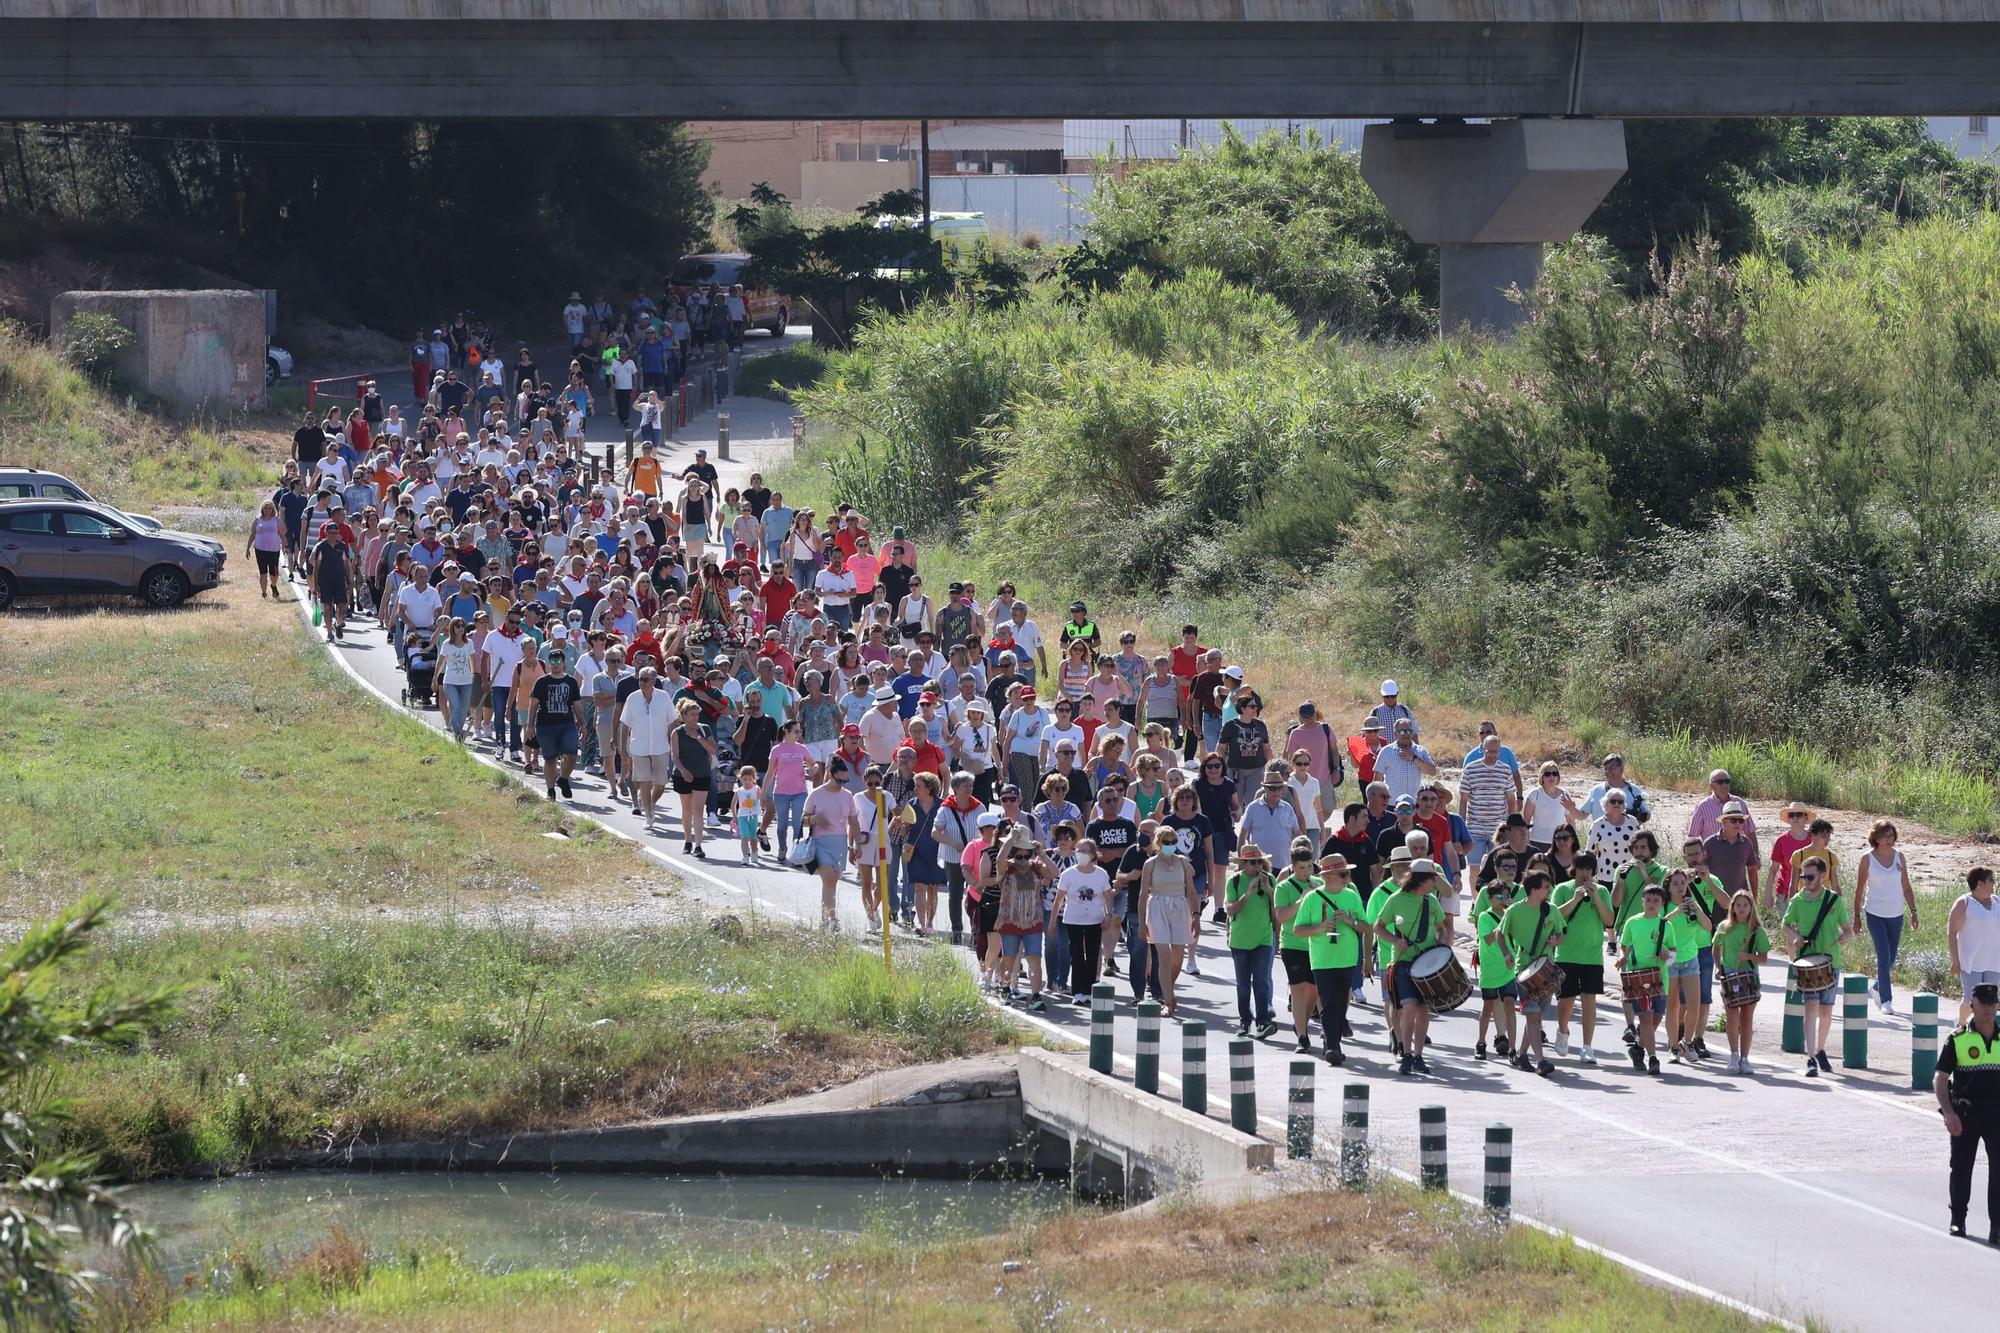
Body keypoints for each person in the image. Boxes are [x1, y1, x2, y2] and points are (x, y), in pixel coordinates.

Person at [1934, 981, 2000, 1245]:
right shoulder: (1958, 1038)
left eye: (1993, 1004)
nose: (1989, 1009)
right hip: (1966, 1113)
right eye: (1983, 1004)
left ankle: (1997, 1226)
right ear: (1972, 1005)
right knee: (1961, 1168)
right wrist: (1949, 1113)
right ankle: (1958, 1220)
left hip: (1997, 1114)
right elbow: (1940, 1078)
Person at [1290, 852, 1368, 1066]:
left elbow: (1366, 926)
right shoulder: (1312, 898)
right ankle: (1333, 1046)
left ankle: (1332, 1043)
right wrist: (1320, 928)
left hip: (1346, 958)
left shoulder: (1351, 896)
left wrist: (1350, 920)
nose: (1346, 877)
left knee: (1341, 1003)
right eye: (1342, 873)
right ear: (1329, 875)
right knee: (1328, 1002)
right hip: (1322, 959)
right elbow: (1298, 929)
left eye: (1346, 873)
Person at [1783, 855, 1854, 1078]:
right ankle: (1811, 1057)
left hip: (1830, 960)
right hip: (1807, 961)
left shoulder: (1834, 900)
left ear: (1822, 876)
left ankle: (1821, 1049)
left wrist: (1846, 937)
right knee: (1811, 1008)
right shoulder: (1797, 900)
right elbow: (1785, 924)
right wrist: (1794, 936)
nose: (1806, 880)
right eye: (1803, 876)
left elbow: (1848, 929)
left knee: (1826, 1011)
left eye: (1811, 876)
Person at [1375, 859, 1447, 1076]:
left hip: (1427, 962)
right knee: (1408, 1007)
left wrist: (1442, 946)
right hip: (1404, 962)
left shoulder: (1431, 901)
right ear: (1421, 880)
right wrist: (1395, 941)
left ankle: (1418, 1055)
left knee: (1424, 1010)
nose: (1435, 883)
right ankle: (1406, 1054)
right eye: (1432, 879)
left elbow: (1442, 928)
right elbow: (1378, 926)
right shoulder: (1395, 899)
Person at [1497, 870, 1563, 1076]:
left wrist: (1555, 941)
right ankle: (1541, 1061)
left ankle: (1523, 1053)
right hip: (1524, 969)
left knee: (1534, 1017)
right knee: (1533, 1014)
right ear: (1533, 889)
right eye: (1545, 887)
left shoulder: (1551, 910)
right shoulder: (1515, 910)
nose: (1549, 890)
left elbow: (1561, 934)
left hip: (1547, 968)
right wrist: (1507, 953)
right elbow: (1500, 933)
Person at [1551, 851, 1612, 1066]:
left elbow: (1609, 920)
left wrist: (1595, 896)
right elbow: (1555, 915)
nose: (1584, 873)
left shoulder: (1602, 891)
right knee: (1566, 1000)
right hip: (1566, 954)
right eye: (1580, 868)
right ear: (1574, 869)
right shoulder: (1562, 889)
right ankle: (1563, 1030)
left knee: (1589, 1000)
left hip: (1592, 956)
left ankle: (1587, 1047)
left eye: (1588, 869)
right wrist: (1576, 898)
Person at [1854, 819, 1919, 1014]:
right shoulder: (1867, 859)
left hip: (1896, 913)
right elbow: (1859, 889)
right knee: (1883, 957)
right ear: (1876, 837)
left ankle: (1876, 987)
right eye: (1885, 836)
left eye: (1892, 835)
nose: (1889, 839)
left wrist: (1914, 911)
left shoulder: (1900, 857)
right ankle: (1886, 1000)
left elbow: (1906, 886)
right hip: (1874, 913)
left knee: (1891, 957)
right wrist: (1856, 916)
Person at [1138, 825, 1198, 1019]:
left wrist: (1196, 916)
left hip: (1179, 906)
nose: (1171, 845)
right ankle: (1168, 1000)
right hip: (1157, 906)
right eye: (1166, 842)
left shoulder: (1183, 862)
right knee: (1164, 954)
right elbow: (1142, 894)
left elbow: (1191, 891)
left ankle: (1167, 989)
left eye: (1173, 842)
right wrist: (1141, 922)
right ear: (1158, 843)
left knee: (1177, 957)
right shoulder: (1151, 864)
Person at [1617, 883, 1676, 1076]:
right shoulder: (1632, 922)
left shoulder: (1666, 926)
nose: (1651, 904)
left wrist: (1666, 954)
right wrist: (1622, 957)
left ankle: (1638, 1049)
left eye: (1656, 901)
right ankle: (1653, 1058)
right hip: (1638, 976)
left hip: (1660, 976)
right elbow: (1624, 945)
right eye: (1648, 900)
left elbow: (1673, 952)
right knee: (1645, 1017)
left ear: (1662, 904)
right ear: (1643, 901)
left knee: (1656, 1017)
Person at [1223, 844, 1279, 1039]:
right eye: (1253, 863)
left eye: (1260, 862)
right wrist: (1248, 893)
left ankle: (1263, 1022)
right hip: (1240, 941)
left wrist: (1270, 891)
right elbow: (1230, 910)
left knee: (1261, 982)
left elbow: (1275, 911)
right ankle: (1245, 1020)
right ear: (1244, 864)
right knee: (1243, 984)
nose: (1257, 866)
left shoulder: (1270, 879)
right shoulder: (1235, 881)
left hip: (1264, 938)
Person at [1713, 889, 1771, 1075]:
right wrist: (1718, 967)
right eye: (1738, 905)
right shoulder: (1724, 926)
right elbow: (1716, 948)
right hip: (1729, 974)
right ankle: (1733, 1054)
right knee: (1732, 1016)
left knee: (1747, 1019)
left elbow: (1763, 958)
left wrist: (1749, 956)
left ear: (1751, 907)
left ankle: (1745, 1058)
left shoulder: (1757, 931)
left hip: (1749, 975)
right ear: (1733, 907)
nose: (1742, 908)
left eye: (1745, 904)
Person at [802, 758, 859, 928]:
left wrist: (857, 845)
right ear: (829, 775)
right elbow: (803, 820)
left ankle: (825, 917)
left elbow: (854, 822)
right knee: (827, 879)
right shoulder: (816, 794)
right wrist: (814, 818)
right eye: (839, 780)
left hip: (840, 842)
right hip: (821, 842)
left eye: (845, 780)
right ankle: (831, 919)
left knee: (833, 881)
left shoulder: (847, 796)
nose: (841, 784)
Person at [1055, 837, 1112, 1001]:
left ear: (1093, 855)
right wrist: (1052, 922)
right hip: (1073, 919)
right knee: (1077, 954)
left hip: (1095, 920)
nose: (1082, 854)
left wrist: (1109, 915)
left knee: (1093, 954)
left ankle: (1088, 990)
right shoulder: (1068, 874)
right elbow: (1059, 900)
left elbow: (1108, 897)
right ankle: (1077, 991)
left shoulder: (1101, 874)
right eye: (1079, 850)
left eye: (1086, 851)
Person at [619, 667, 673, 830]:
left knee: (661, 783)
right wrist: (623, 747)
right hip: (638, 746)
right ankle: (649, 815)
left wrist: (673, 746)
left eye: (644, 679)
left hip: (661, 745)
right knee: (645, 781)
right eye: (640, 679)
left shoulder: (663, 697)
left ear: (653, 681)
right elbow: (625, 724)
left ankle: (649, 802)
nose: (641, 682)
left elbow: (671, 722)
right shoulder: (632, 698)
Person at [1472, 876, 1519, 1063]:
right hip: (1491, 970)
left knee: (1509, 1005)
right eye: (1499, 896)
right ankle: (1481, 1042)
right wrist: (1505, 920)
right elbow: (1490, 939)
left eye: (1505, 896)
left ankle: (1513, 1048)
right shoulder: (1485, 916)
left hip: (1508, 968)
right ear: (1490, 898)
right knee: (1488, 1007)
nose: (1502, 900)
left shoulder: (1511, 915)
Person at [1949, 867, 2000, 1027]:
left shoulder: (1997, 901)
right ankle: (1962, 1025)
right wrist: (1955, 960)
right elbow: (1952, 933)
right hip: (1971, 961)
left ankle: (1985, 1030)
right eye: (1991, 880)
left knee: (1991, 999)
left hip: (1993, 960)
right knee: (1971, 999)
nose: (1994, 884)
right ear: (1980, 883)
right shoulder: (1964, 903)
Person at [532, 649, 584, 802]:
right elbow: (533, 704)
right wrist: (529, 725)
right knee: (550, 758)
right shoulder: (542, 682)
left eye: (558, 661)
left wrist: (582, 723)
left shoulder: (571, 681)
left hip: (567, 724)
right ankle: (550, 790)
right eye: (552, 661)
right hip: (545, 725)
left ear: (564, 663)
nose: (555, 664)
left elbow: (577, 704)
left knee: (572, 754)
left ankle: (563, 778)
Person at [668, 699, 717, 859]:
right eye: (692, 714)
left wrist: (698, 737)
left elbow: (712, 749)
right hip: (683, 774)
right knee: (687, 808)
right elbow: (674, 755)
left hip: (702, 773)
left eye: (697, 714)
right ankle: (688, 840)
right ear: (684, 715)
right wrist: (682, 770)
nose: (696, 717)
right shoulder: (677, 732)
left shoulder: (705, 729)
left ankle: (698, 845)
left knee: (698, 809)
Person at [733, 764, 764, 865]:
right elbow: (733, 804)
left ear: (754, 779)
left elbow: (762, 799)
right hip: (742, 816)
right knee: (744, 837)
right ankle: (745, 856)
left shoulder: (756, 789)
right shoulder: (739, 791)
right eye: (744, 779)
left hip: (753, 816)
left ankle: (754, 852)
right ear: (740, 779)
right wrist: (734, 816)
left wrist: (764, 806)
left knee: (753, 836)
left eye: (749, 779)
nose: (747, 781)